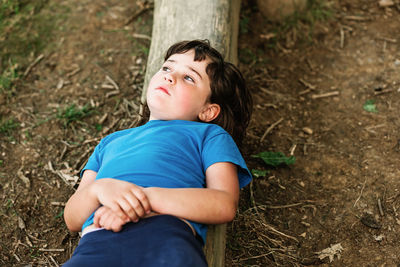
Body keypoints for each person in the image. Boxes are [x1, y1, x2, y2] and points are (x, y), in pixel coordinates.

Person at [63, 39, 253, 267]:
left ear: (207, 110)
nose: (170, 76)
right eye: (167, 68)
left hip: (164, 237)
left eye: (189, 77)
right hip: (99, 240)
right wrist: (99, 190)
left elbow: (223, 204)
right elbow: (72, 219)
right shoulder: (110, 142)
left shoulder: (209, 135)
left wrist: (142, 200)